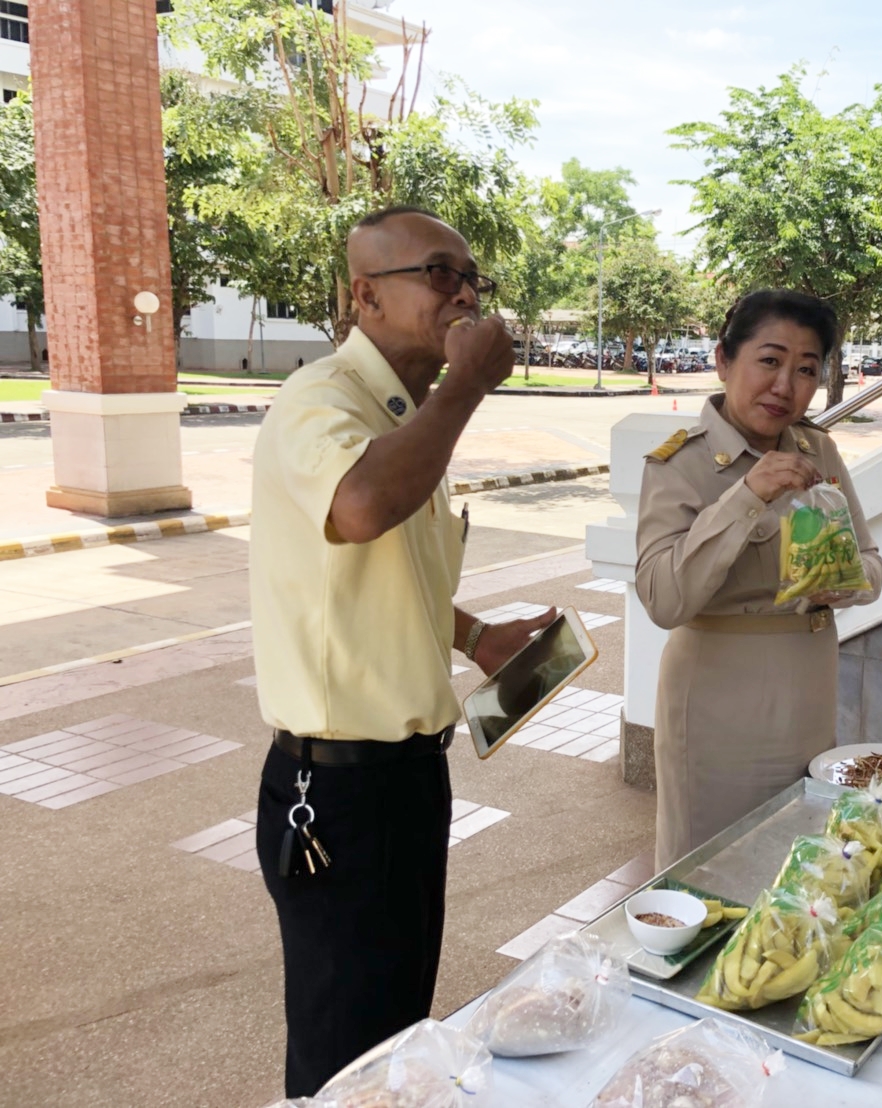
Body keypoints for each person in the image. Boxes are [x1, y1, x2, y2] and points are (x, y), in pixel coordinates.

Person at [249, 205, 555, 1097]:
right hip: (338, 793)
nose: (463, 294)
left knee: (396, 1028)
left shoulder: (408, 417)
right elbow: (359, 509)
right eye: (437, 273)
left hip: (409, 779)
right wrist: (466, 388)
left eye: (471, 278)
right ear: (366, 295)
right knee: (345, 1054)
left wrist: (477, 637)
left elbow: (389, 572)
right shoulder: (321, 400)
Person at [634, 290, 882, 868]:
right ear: (724, 360)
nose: (785, 386)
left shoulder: (819, 450)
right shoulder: (679, 464)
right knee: (711, 866)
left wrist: (844, 583)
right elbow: (664, 600)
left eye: (806, 370)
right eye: (769, 361)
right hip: (719, 703)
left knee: (798, 860)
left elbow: (870, 562)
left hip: (809, 693)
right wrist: (746, 496)